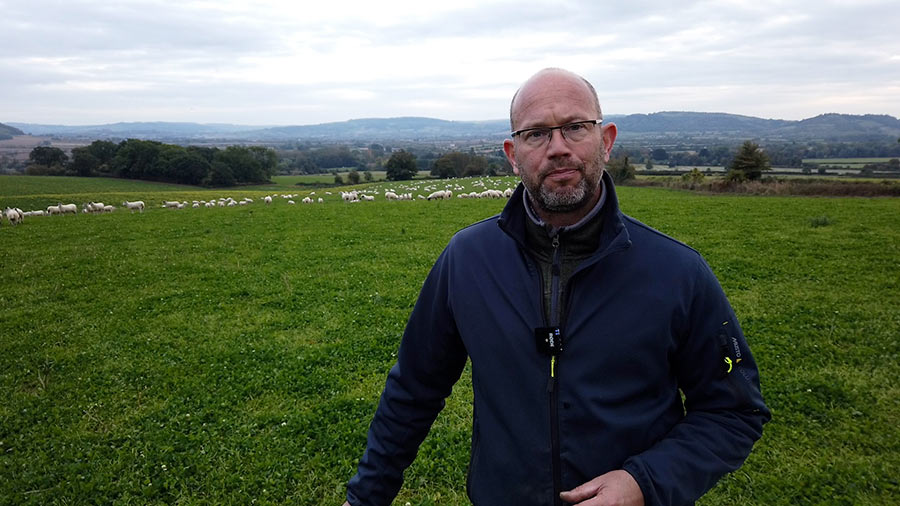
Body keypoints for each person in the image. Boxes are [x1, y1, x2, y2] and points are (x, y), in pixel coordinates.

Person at [343, 68, 770, 506]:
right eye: (536, 134)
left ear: (605, 140)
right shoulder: (467, 260)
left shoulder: (677, 271)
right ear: (513, 153)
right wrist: (365, 498)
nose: (558, 148)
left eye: (575, 128)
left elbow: (733, 411)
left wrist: (645, 483)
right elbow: (413, 390)